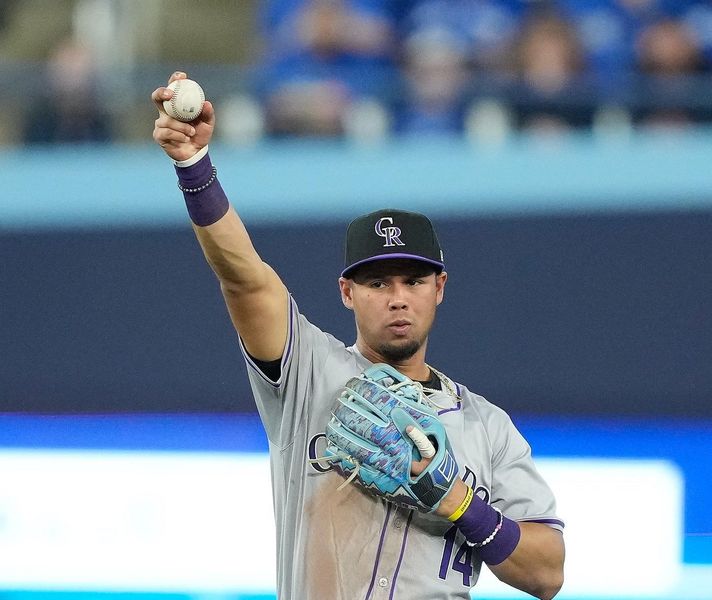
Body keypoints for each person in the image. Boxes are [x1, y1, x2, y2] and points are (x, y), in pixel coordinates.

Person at [151, 71, 565, 600]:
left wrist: (461, 504)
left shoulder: (489, 429)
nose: (397, 297)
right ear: (347, 292)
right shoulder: (308, 374)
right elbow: (245, 278)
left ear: (439, 287)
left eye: (413, 280)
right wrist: (193, 166)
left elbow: (548, 573)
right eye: (377, 282)